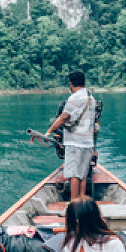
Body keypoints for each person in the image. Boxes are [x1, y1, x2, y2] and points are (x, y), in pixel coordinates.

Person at [45, 70, 96, 201]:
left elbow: (63, 117)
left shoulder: (74, 98)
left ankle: (73, 206)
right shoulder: (92, 99)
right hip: (88, 143)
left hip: (75, 143)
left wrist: (49, 131)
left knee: (73, 174)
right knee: (82, 175)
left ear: (71, 83)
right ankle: (83, 204)